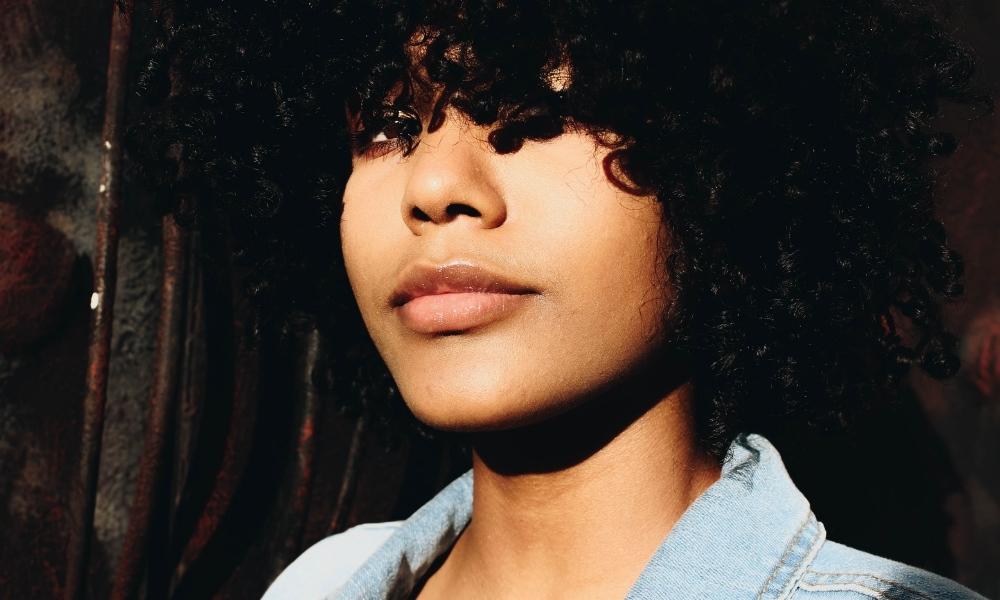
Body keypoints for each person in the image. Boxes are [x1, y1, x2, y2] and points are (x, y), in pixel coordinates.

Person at [134, 1, 991, 598]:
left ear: (725, 163)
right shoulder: (318, 584)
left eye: (538, 111)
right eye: (387, 128)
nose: (433, 185)